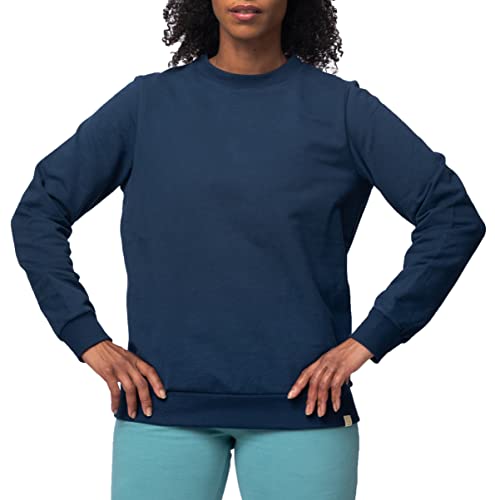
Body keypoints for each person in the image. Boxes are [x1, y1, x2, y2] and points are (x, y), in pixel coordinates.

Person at [10, 1, 486, 499]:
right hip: (162, 409)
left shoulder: (342, 109)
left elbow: (451, 218)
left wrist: (371, 338)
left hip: (305, 412)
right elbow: (39, 212)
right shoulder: (146, 106)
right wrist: (86, 337)